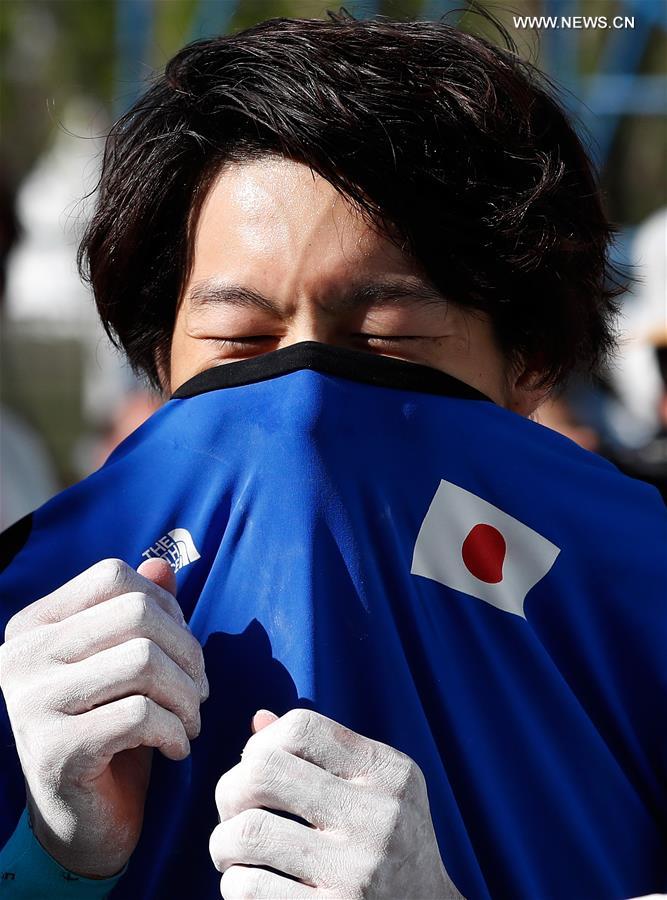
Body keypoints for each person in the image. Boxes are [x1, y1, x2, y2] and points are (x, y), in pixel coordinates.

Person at [1, 11, 666, 900]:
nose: (305, 412)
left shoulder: (643, 611)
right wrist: (57, 851)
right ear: (160, 361)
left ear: (528, 359)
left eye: (386, 341)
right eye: (239, 343)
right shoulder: (30, 625)